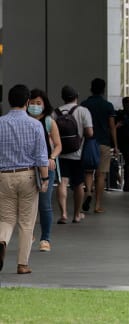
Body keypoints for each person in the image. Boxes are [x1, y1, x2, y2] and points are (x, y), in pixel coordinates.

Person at [0, 84, 50, 274]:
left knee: (6, 218)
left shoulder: (0, 123)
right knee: (27, 222)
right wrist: (45, 179)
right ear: (27, 102)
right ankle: (22, 264)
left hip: (4, 176)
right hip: (28, 175)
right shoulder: (35, 125)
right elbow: (41, 157)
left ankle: (2, 241)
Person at [27, 89, 62, 252]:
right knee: (27, 204)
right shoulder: (24, 120)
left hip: (46, 168)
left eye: (38, 103)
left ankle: (45, 238)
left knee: (44, 204)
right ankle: (29, 234)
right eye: (32, 103)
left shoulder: (49, 121)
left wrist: (52, 158)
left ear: (45, 104)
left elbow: (58, 144)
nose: (35, 106)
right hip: (26, 167)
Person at [55, 86, 94, 224]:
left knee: (62, 182)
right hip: (78, 153)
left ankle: (63, 214)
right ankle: (77, 215)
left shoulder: (56, 113)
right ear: (77, 95)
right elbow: (89, 133)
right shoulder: (83, 111)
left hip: (60, 154)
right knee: (78, 184)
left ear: (63, 97)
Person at [80, 78, 118, 213]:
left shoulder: (84, 105)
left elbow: (81, 125)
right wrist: (116, 146)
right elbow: (112, 127)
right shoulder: (108, 106)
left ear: (91, 88)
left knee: (88, 172)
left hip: (89, 143)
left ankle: (88, 192)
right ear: (103, 89)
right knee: (101, 175)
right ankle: (97, 205)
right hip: (104, 143)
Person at [115, 96, 129, 191]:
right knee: (127, 163)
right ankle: (128, 184)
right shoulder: (119, 115)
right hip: (123, 142)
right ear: (125, 104)